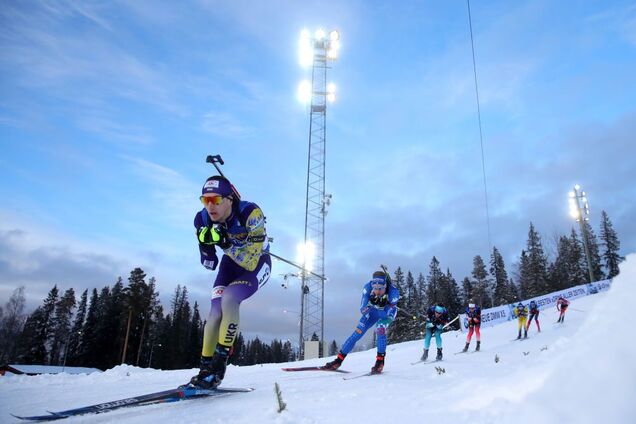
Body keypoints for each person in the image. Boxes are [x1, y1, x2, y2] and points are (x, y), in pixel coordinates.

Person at [187, 175, 271, 389]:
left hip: (257, 264)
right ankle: (205, 369)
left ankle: (220, 363)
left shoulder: (251, 214)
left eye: (215, 200)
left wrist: (226, 244)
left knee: (230, 299)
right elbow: (210, 263)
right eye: (204, 200)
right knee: (215, 312)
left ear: (229, 200)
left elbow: (251, 263)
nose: (209, 205)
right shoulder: (202, 219)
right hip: (229, 265)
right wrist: (205, 244)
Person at [324, 270, 399, 373]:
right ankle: (338, 360)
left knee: (380, 328)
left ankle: (380, 362)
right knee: (357, 334)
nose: (377, 291)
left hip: (387, 313)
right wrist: (371, 305)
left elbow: (385, 314)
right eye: (375, 288)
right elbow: (362, 309)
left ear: (385, 286)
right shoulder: (367, 288)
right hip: (373, 311)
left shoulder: (393, 293)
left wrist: (376, 305)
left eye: (380, 289)